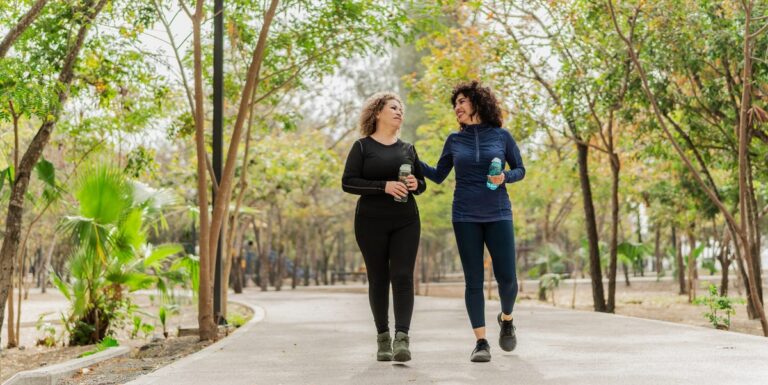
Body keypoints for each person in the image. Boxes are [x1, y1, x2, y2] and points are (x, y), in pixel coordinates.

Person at [419, 81, 525, 362]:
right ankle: (481, 342)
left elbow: (520, 169)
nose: (457, 108)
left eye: (462, 101)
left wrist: (505, 177)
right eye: (455, 104)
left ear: (478, 102)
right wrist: (413, 159)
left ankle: (507, 317)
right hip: (465, 215)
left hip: (498, 212)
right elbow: (439, 174)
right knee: (473, 281)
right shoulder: (454, 141)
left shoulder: (502, 137)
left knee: (508, 280)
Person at [341, 92, 426, 362]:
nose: (399, 111)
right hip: (370, 222)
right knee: (378, 278)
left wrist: (415, 184)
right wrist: (383, 186)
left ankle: (402, 339)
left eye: (401, 108)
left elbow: (421, 185)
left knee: (402, 276)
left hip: (406, 220)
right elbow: (348, 182)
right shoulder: (362, 147)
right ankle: (383, 339)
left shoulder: (408, 149)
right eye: (393, 107)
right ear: (377, 113)